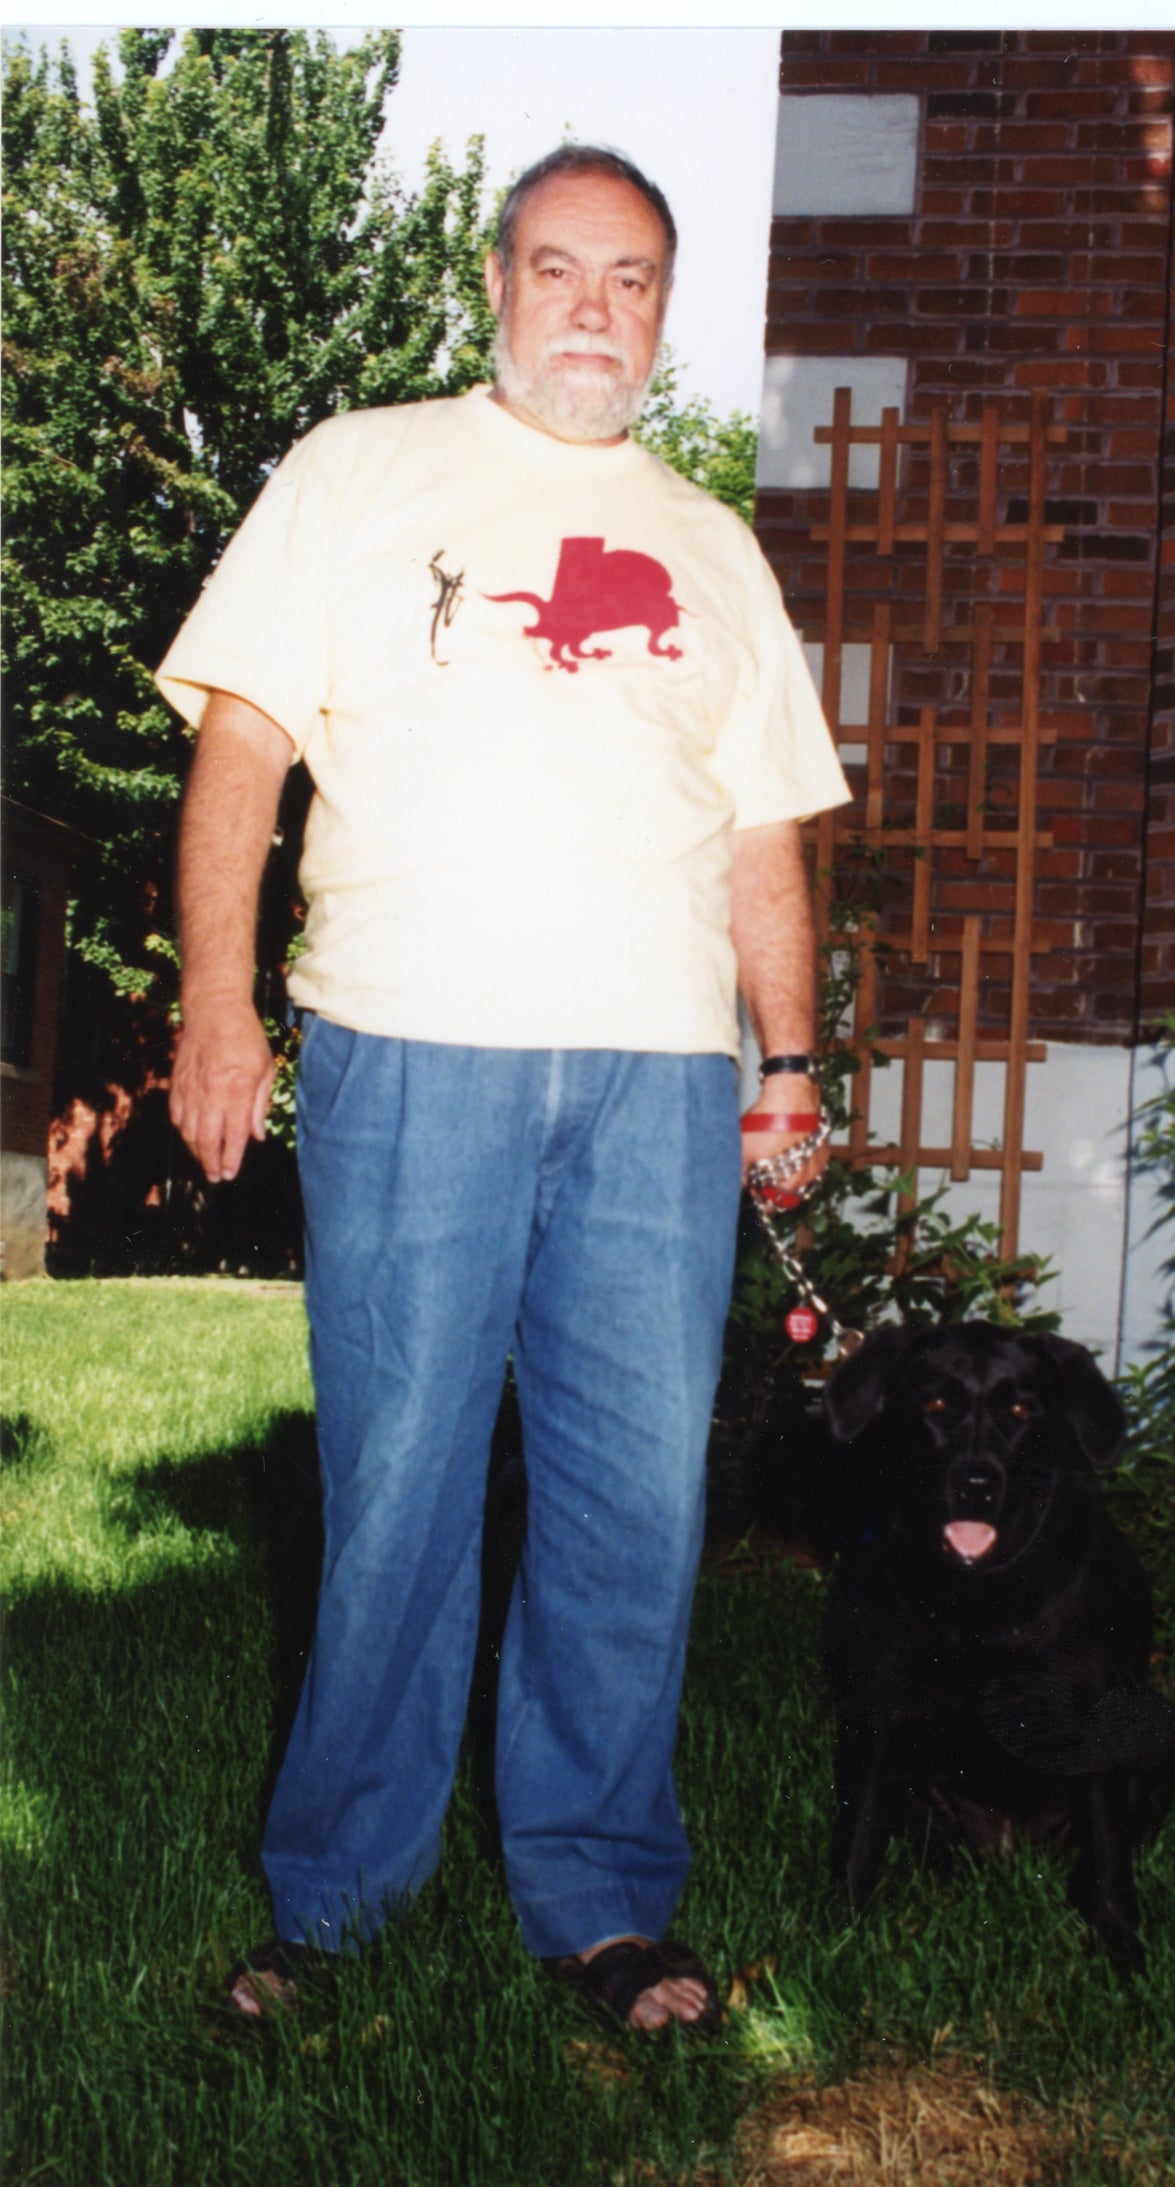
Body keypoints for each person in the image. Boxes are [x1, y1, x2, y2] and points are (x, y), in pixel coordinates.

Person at [158, 145, 850, 2035]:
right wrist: (216, 1006)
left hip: (657, 1082)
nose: (594, 308)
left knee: (633, 1503)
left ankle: (606, 1902)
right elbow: (243, 748)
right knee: (394, 1487)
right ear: (497, 282)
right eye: (561, 269)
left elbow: (767, 832)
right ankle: (338, 1899)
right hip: (410, 1047)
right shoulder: (360, 468)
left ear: (662, 310)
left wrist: (784, 1062)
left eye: (631, 279)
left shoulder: (711, 543)